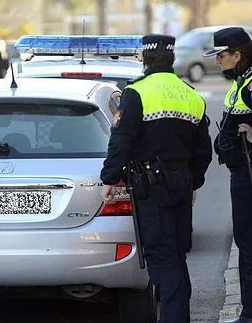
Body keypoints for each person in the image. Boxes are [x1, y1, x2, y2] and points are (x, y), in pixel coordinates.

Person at [100, 34, 213, 323]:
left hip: (153, 188)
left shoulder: (137, 92)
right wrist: (193, 182)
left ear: (145, 58)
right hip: (180, 184)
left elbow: (122, 138)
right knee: (176, 256)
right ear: (172, 59)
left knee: (163, 260)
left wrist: (109, 178)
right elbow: (204, 150)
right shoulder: (190, 94)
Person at [203, 27, 252, 323]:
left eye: (221, 56)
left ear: (238, 55)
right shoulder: (243, 81)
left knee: (251, 243)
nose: (218, 62)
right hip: (247, 168)